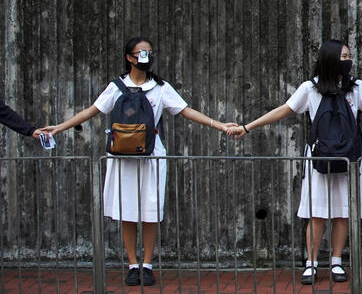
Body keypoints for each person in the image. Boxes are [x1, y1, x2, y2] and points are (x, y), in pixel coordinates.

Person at [41, 37, 236, 287]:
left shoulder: (160, 87)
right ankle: (133, 265)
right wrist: (59, 127)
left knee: (151, 211)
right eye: (141, 53)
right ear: (129, 57)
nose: (146, 57)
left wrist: (219, 125)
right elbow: (92, 110)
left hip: (151, 155)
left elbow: (186, 110)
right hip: (122, 156)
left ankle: (148, 264)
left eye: (149, 53)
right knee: (128, 211)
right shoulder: (116, 87)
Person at [228, 39, 362, 285]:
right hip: (318, 159)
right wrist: (247, 127)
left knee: (344, 212)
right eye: (343, 57)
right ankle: (311, 264)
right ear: (329, 59)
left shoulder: (357, 87)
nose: (348, 61)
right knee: (316, 213)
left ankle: (336, 261)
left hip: (350, 159)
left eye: (349, 56)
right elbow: (283, 110)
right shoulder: (310, 89)